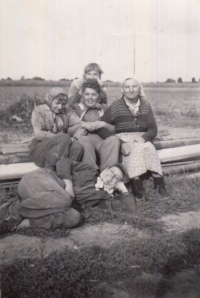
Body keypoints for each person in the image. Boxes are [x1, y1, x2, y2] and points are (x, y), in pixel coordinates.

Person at [0, 159, 135, 235]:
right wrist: (68, 185)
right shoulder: (90, 170)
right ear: (106, 169)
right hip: (38, 180)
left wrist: (123, 189)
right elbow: (63, 162)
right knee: (65, 199)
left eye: (116, 177)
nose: (111, 176)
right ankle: (14, 211)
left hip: (45, 201)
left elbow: (129, 208)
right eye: (111, 171)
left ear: (117, 183)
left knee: (74, 217)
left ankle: (26, 221)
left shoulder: (103, 197)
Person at [101, 77, 169, 199]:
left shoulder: (145, 105)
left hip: (141, 138)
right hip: (125, 139)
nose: (131, 90)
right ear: (122, 90)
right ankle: (137, 186)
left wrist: (145, 137)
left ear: (139, 88)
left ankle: (159, 184)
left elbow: (153, 127)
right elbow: (102, 128)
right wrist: (120, 143)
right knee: (133, 151)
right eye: (127, 87)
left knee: (150, 148)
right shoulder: (116, 106)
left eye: (134, 86)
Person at [30, 87, 84, 168]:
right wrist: (61, 138)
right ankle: (50, 171)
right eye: (57, 103)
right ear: (50, 100)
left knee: (77, 146)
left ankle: (67, 172)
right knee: (64, 137)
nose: (60, 107)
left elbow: (81, 125)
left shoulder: (67, 111)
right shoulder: (39, 111)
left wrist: (75, 138)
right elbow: (38, 134)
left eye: (63, 104)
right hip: (41, 150)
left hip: (61, 148)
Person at [73, 79, 120, 171]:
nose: (90, 97)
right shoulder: (76, 108)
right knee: (84, 140)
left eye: (93, 94)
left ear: (98, 96)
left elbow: (114, 129)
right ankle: (90, 174)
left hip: (101, 142)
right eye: (87, 94)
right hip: (85, 141)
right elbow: (69, 130)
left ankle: (107, 173)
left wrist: (103, 124)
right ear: (82, 95)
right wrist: (83, 124)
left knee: (113, 140)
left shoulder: (103, 108)